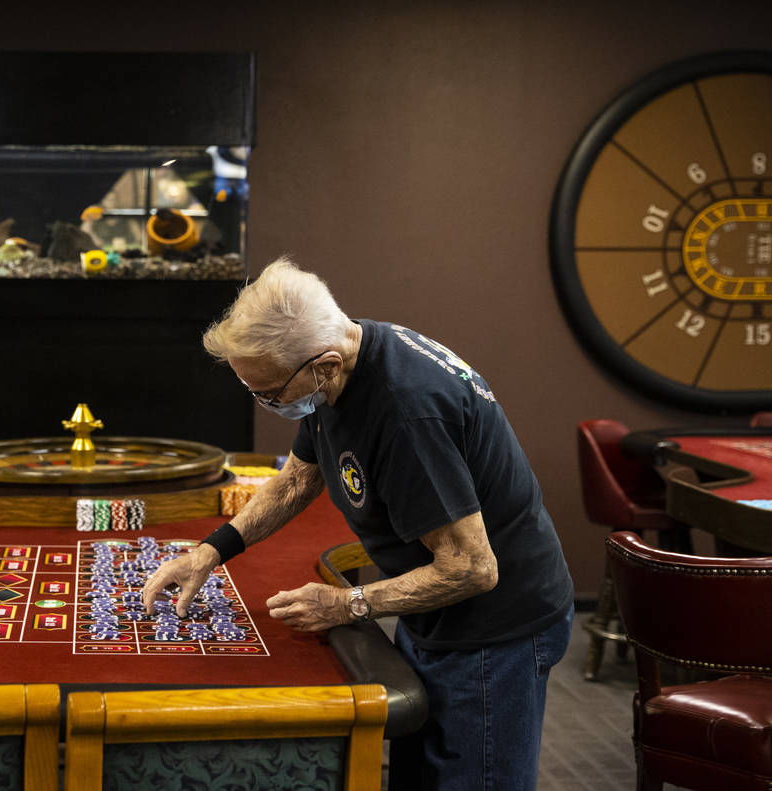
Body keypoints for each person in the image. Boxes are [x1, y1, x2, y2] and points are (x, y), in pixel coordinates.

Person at [142, 257, 574, 791]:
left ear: (322, 366)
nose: (265, 403)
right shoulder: (344, 357)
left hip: (495, 631)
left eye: (269, 394)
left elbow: (471, 568)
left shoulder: (407, 413)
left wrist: (346, 604)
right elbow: (300, 478)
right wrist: (211, 550)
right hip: (439, 616)